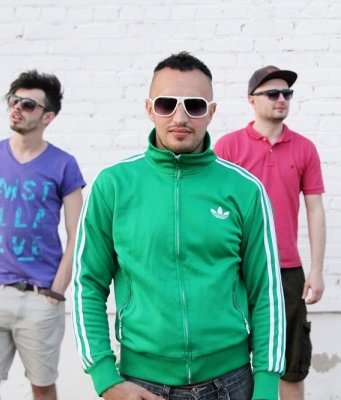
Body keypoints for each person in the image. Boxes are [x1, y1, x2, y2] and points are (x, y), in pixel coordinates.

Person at [71, 52, 286, 400]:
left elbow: (268, 293)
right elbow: (87, 284)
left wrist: (266, 387)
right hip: (142, 384)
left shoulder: (245, 190)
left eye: (195, 106)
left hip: (231, 383)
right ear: (149, 108)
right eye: (166, 104)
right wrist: (105, 378)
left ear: (211, 112)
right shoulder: (113, 186)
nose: (180, 117)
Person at [214, 66, 326, 400]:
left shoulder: (304, 148)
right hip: (236, 267)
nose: (282, 99)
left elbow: (315, 210)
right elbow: (210, 207)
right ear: (252, 100)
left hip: (286, 269)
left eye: (287, 93)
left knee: (290, 362)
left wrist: (317, 270)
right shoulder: (229, 146)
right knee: (227, 359)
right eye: (273, 93)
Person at [0, 70, 85, 400]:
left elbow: (78, 234)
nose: (17, 108)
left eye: (28, 104)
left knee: (43, 389)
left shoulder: (63, 165)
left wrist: (56, 291)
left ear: (48, 116)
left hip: (40, 296)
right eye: (14, 100)